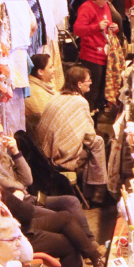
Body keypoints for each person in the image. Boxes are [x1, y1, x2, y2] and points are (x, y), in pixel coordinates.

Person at [0, 120, 97, 243]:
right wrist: (21, 186)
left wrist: (15, 151)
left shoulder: (4, 155)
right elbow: (9, 183)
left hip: (31, 198)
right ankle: (89, 248)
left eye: (1, 134)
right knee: (65, 219)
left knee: (71, 201)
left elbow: (28, 179)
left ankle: (90, 241)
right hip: (21, 206)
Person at [36, 67, 111, 195]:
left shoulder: (57, 95)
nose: (91, 82)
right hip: (58, 153)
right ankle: (98, 191)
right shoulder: (79, 101)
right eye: (88, 80)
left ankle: (94, 188)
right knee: (98, 142)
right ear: (79, 84)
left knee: (96, 140)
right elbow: (89, 136)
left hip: (44, 149)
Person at [73, 0, 119, 112]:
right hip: (91, 56)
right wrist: (96, 27)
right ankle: (89, 124)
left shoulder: (106, 7)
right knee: (91, 94)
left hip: (104, 55)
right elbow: (78, 29)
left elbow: (105, 29)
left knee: (100, 93)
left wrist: (113, 29)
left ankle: (97, 122)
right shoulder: (87, 7)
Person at [25, 54, 57, 136]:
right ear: (40, 72)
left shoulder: (46, 86)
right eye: (50, 67)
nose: (54, 69)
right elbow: (47, 121)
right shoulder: (34, 91)